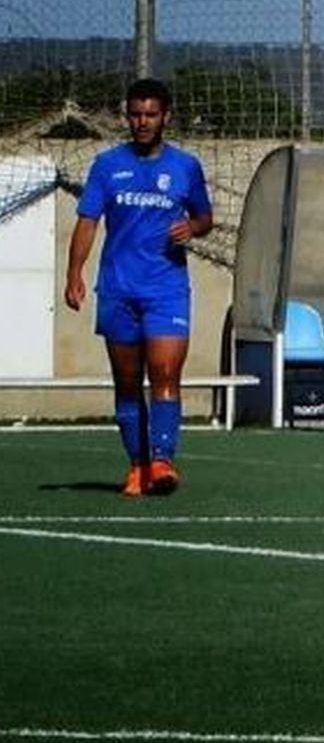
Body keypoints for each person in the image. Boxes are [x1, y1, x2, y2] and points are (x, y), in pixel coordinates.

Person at [64, 78, 214, 497]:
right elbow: (88, 220)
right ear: (126, 116)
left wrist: (193, 228)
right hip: (118, 289)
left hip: (166, 288)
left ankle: (163, 461)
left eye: (150, 114)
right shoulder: (107, 165)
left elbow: (205, 217)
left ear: (166, 116)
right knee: (128, 381)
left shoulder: (185, 167)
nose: (142, 122)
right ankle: (138, 466)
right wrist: (74, 274)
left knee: (165, 371)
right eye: (135, 114)